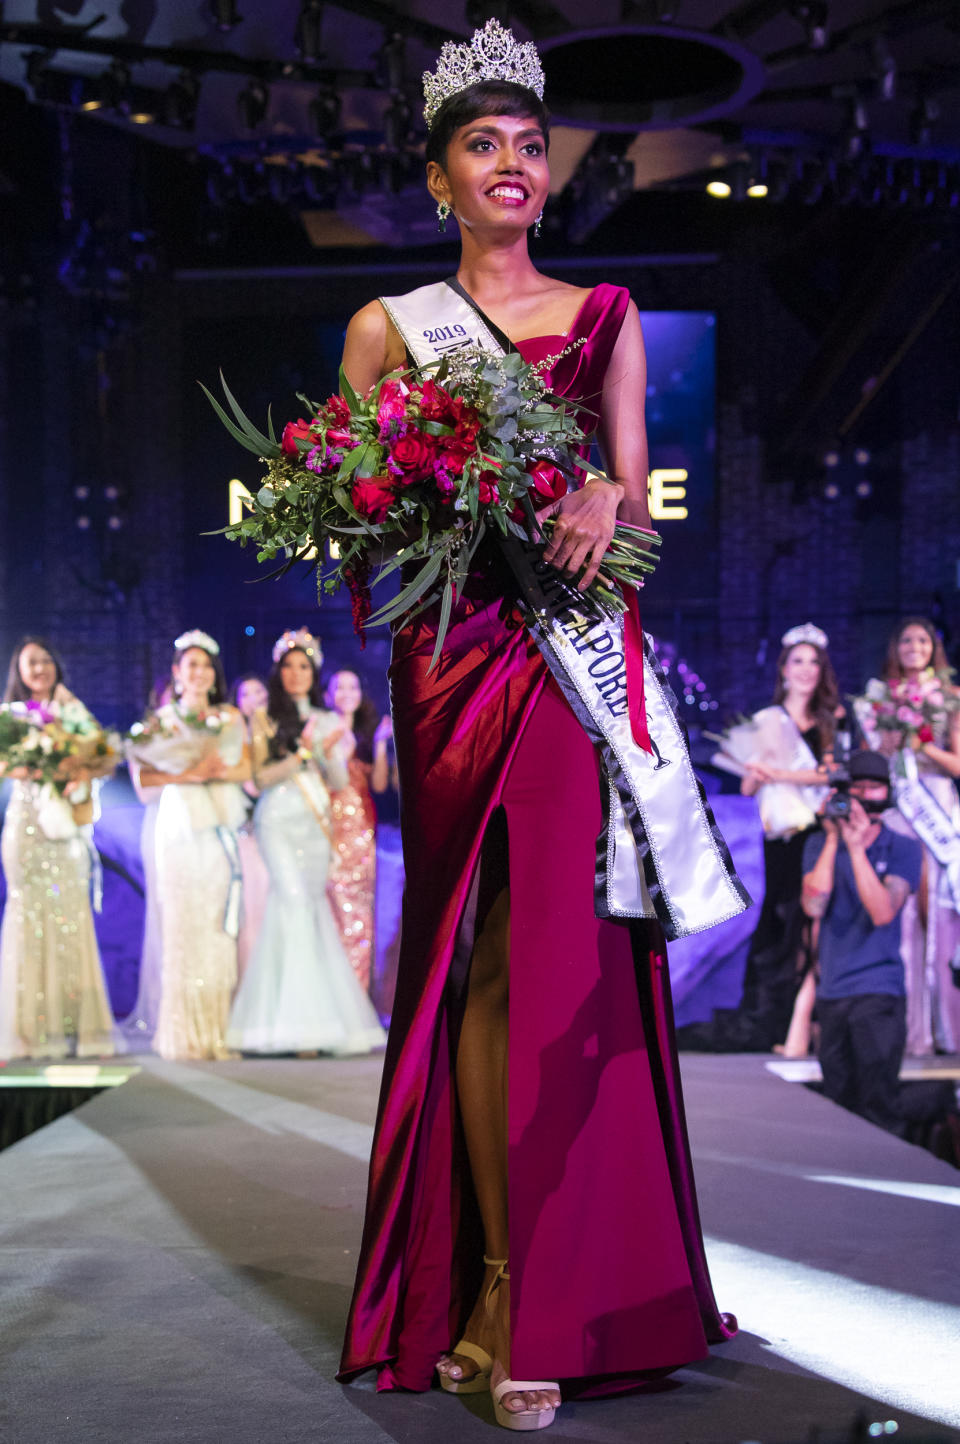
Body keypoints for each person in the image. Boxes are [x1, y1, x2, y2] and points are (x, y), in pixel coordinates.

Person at [336, 22, 747, 1431]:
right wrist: (424, 520)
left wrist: (600, 502)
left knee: (559, 958)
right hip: (452, 666)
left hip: (574, 665)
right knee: (473, 964)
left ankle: (550, 1288)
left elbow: (635, 503)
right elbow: (362, 535)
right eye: (482, 145)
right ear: (440, 175)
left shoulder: (608, 314)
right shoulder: (388, 331)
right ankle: (492, 1281)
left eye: (528, 145)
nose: (513, 166)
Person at [225, 632, 386, 1056]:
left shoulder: (327, 720)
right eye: (289, 666)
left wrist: (327, 753)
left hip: (316, 822)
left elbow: (336, 782)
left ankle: (317, 1022)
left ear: (313, 674)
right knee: (291, 902)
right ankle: (288, 1025)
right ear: (278, 672)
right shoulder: (264, 719)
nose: (296, 674)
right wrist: (300, 755)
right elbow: (259, 779)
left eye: (304, 667)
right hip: (278, 820)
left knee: (312, 910)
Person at [690, 624, 843, 1055]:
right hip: (777, 838)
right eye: (798, 661)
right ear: (784, 668)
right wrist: (756, 775)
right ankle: (769, 1017)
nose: (806, 670)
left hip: (816, 834)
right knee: (776, 924)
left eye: (814, 662)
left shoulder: (831, 720)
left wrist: (779, 773)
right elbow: (747, 791)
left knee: (809, 922)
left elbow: (830, 774)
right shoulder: (768, 720)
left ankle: (810, 1019)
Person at [133, 631, 250, 1060]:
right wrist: (189, 773)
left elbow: (246, 769)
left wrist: (220, 768)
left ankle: (218, 1031)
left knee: (218, 925)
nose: (198, 672)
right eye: (191, 665)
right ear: (177, 673)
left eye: (205, 665)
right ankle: (181, 1034)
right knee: (181, 923)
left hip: (218, 824)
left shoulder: (229, 717)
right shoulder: (159, 723)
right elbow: (143, 784)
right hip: (178, 824)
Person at [0, 637, 116, 1060]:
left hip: (64, 827)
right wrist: (33, 764)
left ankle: (81, 1031)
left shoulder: (73, 711)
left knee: (70, 917)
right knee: (26, 916)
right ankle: (25, 1034)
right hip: (26, 825)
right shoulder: (9, 717)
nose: (40, 668)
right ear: (19, 670)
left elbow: (103, 754)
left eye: (47, 659)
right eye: (32, 661)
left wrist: (76, 764)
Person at [801, 751, 922, 1135]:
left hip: (878, 991)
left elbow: (884, 911)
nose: (865, 795)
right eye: (857, 788)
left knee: (878, 1105)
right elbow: (812, 904)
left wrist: (857, 849)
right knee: (837, 1107)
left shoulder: (902, 847)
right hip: (833, 991)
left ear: (887, 793)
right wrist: (836, 840)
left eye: (874, 786)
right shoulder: (821, 845)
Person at [868, 618, 960, 1055]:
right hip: (903, 809)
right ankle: (910, 1034)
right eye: (906, 639)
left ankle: (949, 1029)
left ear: (933, 649)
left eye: (923, 640)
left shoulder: (951, 698)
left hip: (938, 808)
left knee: (943, 916)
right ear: (895, 647)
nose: (914, 646)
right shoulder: (880, 697)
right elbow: (875, 762)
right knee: (903, 914)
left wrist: (923, 745)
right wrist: (890, 742)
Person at [323, 669, 392, 994]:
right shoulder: (322, 731)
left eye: (352, 686)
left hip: (362, 832)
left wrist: (379, 745)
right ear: (328, 694)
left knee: (361, 915)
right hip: (328, 830)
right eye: (339, 687)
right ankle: (332, 998)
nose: (347, 693)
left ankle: (357, 996)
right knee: (331, 913)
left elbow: (379, 784)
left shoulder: (366, 735)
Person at [228, 672, 270, 982]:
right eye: (246, 694)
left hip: (273, 832)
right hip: (244, 834)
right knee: (248, 911)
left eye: (259, 693)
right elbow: (251, 786)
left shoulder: (274, 734)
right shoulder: (233, 740)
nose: (254, 700)